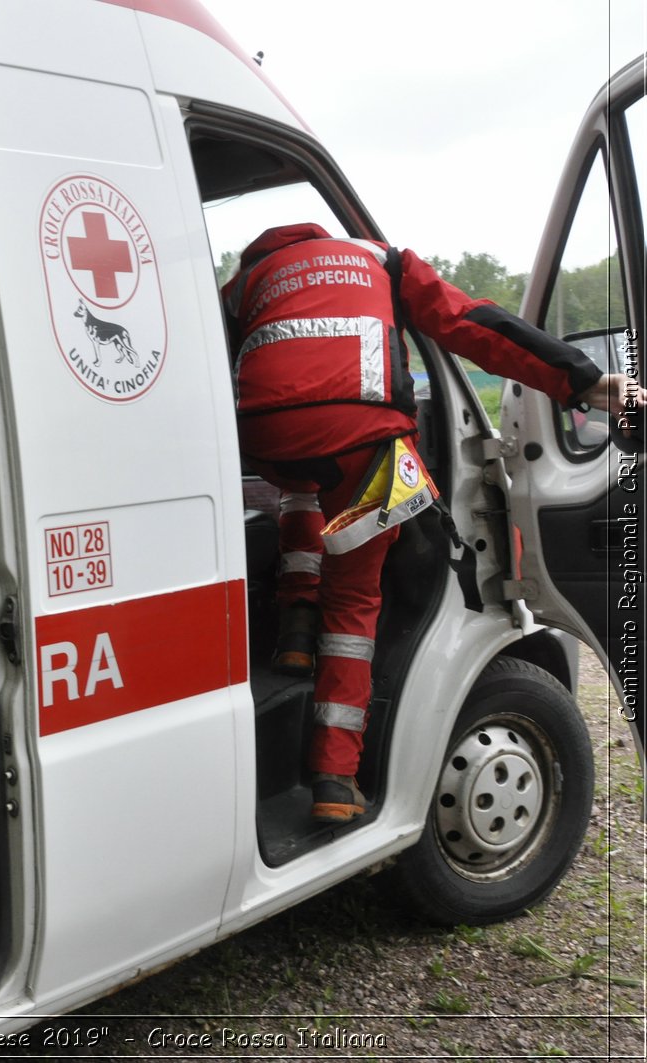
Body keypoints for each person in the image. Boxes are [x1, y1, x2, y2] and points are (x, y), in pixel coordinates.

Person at [221, 222, 635, 825]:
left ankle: (295, 624)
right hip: (369, 444)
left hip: (264, 439)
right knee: (355, 603)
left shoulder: (244, 283)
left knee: (302, 485)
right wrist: (583, 381)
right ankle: (335, 778)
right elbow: (474, 324)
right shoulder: (381, 261)